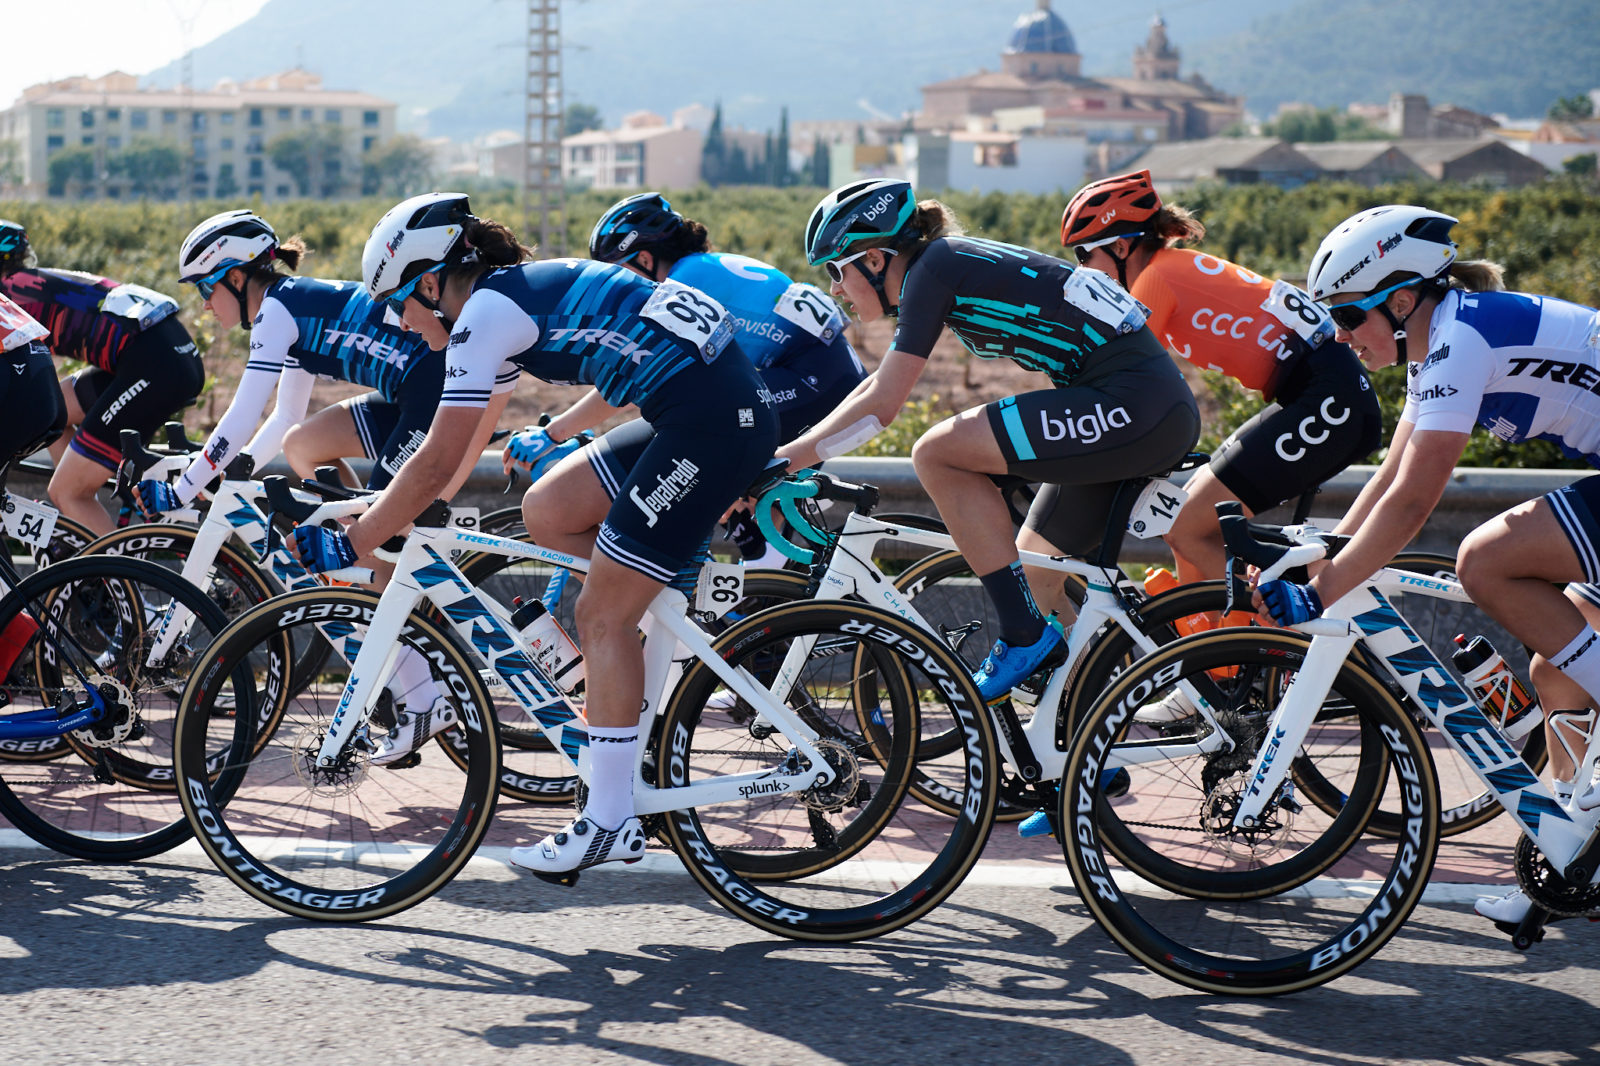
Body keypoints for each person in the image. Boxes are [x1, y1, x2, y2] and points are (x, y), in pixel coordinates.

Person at [292, 192, 777, 877]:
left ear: (429, 284)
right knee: (550, 508)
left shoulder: (483, 316)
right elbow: (458, 446)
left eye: (396, 302)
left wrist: (356, 540)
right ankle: (645, 620)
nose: (397, 321)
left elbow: (436, 458)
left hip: (710, 424)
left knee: (600, 615)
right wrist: (395, 508)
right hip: (702, 408)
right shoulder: (500, 303)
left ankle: (610, 819)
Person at [1255, 203, 1600, 926]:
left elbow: (1415, 501)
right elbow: (1391, 476)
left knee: (1487, 560)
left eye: (1348, 316)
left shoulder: (1460, 341)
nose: (1341, 336)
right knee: (1558, 671)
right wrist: (1325, 555)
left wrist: (1323, 593)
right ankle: (1573, 860)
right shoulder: (1439, 339)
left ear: (1402, 300)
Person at [776, 179, 1200, 703]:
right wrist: (792, 454)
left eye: (836, 271)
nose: (835, 289)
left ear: (875, 258)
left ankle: (1023, 637)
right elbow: (879, 385)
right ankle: (1077, 721)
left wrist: (782, 461)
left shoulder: (934, 268)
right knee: (1036, 571)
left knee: (937, 454)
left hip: (1133, 407)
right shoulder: (940, 264)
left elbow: (883, 406)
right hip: (1141, 408)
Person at [131, 208, 501, 764]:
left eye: (206, 289)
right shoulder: (286, 306)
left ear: (237, 277)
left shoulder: (275, 312)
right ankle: (366, 550)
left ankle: (422, 692)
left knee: (371, 545)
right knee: (304, 445)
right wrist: (236, 470)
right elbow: (283, 417)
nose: (204, 305)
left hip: (430, 389)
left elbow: (241, 414)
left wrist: (183, 489)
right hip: (407, 389)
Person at [1059, 171, 1383, 721]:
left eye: (1084, 255)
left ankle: (1229, 667)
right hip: (1318, 393)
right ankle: (1231, 663)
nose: (1083, 270)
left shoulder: (1155, 279)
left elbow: (1117, 375)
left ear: (1121, 246)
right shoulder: (1167, 268)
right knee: (1192, 526)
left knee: (1190, 527)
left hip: (1326, 397)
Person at [587, 192, 866, 564]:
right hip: (825, 376)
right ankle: (773, 581)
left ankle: (769, 582)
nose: (618, 286)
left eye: (619, 272)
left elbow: (630, 374)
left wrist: (556, 431)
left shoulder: (678, 285)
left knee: (710, 451)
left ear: (644, 259)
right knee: (736, 486)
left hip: (812, 380)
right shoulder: (700, 268)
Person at [0, 218, 203, 535]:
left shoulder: (8, 296)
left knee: (67, 491)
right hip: (166, 350)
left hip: (152, 362)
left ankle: (108, 560)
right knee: (59, 406)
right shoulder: (32, 281)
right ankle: (79, 523)